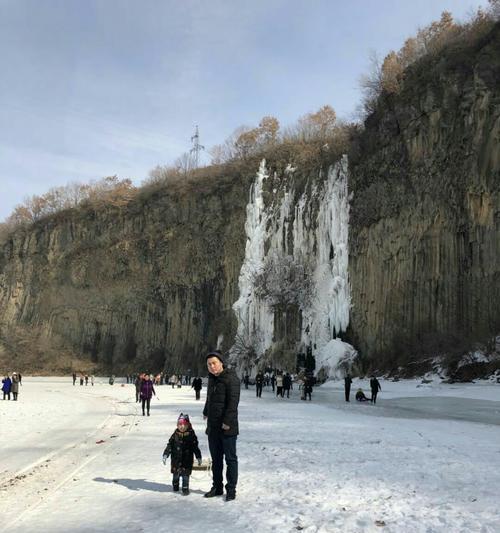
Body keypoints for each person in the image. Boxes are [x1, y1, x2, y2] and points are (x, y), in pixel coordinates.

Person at [203, 350, 240, 501]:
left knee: (230, 459)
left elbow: (233, 403)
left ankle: (231, 489)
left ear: (221, 363)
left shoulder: (231, 379)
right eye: (209, 364)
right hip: (213, 426)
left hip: (227, 428)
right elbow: (209, 398)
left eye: (214, 363)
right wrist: (206, 411)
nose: (212, 366)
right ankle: (217, 487)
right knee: (216, 459)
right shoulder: (212, 379)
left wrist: (227, 422)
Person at [162, 413, 202, 495]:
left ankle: (185, 488)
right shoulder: (175, 434)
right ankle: (175, 484)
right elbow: (169, 445)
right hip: (176, 460)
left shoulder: (191, 436)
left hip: (186, 461)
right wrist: (166, 454)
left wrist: (198, 456)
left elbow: (195, 447)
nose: (182, 426)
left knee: (185, 475)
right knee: (175, 475)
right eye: (180, 424)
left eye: (184, 424)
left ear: (188, 425)